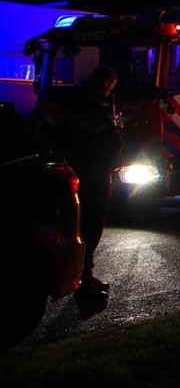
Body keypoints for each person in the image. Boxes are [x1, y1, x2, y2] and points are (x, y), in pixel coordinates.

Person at [53, 65, 123, 303]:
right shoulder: (98, 103)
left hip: (73, 168)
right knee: (92, 226)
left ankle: (84, 275)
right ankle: (84, 282)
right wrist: (118, 132)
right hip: (94, 171)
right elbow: (111, 138)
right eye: (111, 87)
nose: (109, 91)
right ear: (106, 83)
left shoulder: (70, 100)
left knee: (77, 224)